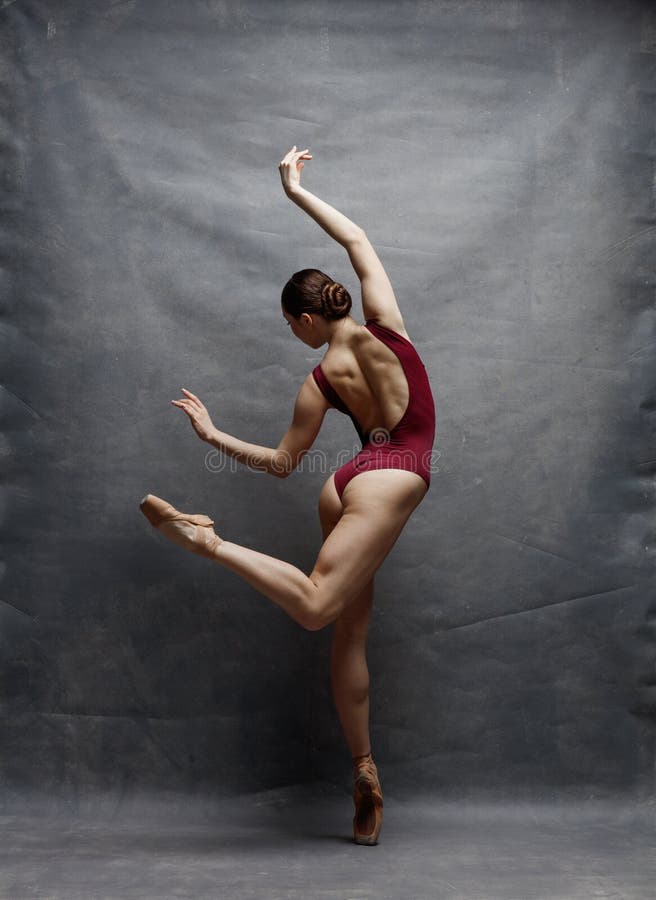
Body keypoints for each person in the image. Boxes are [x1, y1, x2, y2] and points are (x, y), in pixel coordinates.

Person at [140, 145, 437, 846]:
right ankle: (207, 539)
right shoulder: (386, 327)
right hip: (397, 471)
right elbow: (357, 240)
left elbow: (281, 464)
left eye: (290, 327)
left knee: (342, 626)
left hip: (351, 482)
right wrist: (295, 191)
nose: (294, 337)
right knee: (318, 610)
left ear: (304, 321)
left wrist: (212, 435)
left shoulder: (319, 380)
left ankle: (364, 771)